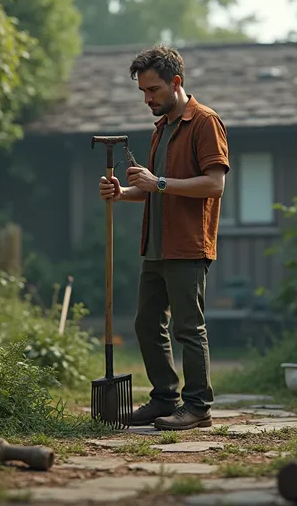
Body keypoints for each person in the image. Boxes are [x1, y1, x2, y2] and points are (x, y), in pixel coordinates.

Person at [98, 45, 229, 431]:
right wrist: (123, 192)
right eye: (142, 91)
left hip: (187, 245)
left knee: (188, 327)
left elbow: (214, 185)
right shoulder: (161, 129)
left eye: (152, 90)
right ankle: (164, 398)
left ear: (176, 82)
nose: (147, 99)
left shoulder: (205, 122)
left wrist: (158, 182)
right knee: (146, 323)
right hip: (155, 247)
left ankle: (198, 406)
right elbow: (156, 189)